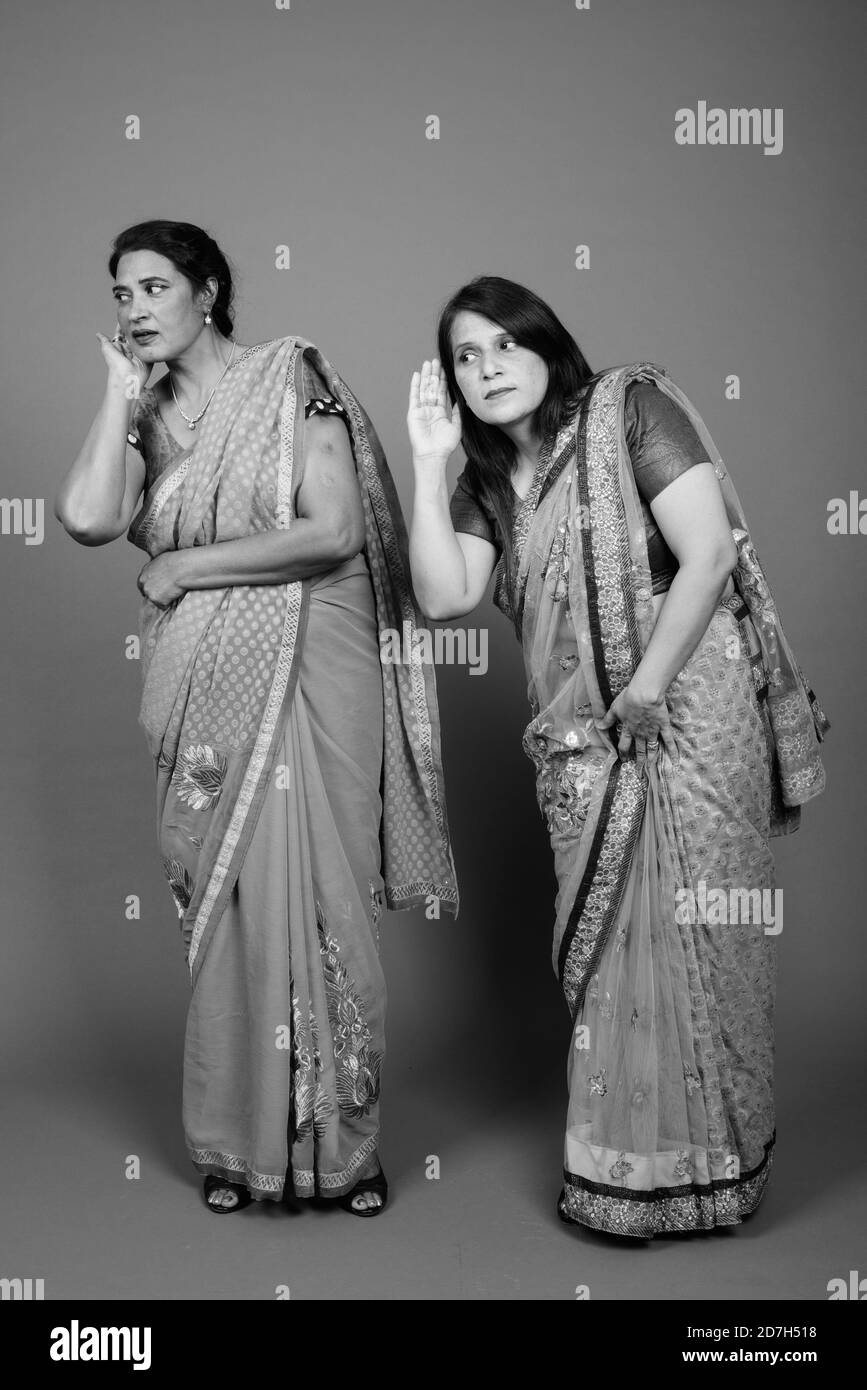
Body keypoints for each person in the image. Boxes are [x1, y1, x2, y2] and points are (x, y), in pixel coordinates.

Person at [407, 275, 829, 1239]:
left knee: (699, 935)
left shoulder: (627, 409)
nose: (486, 369)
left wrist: (642, 691)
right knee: (615, 957)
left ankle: (711, 1170)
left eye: (502, 345)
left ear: (545, 345)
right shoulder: (482, 482)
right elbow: (440, 597)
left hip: (685, 711)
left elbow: (709, 555)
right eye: (464, 358)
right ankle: (625, 1172)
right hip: (582, 742)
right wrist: (429, 466)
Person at [55, 220, 457, 1217]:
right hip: (205, 690)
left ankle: (343, 1153)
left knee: (322, 897)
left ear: (209, 289)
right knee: (231, 908)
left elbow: (332, 530)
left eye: (153, 287)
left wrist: (187, 564)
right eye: (121, 293)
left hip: (316, 661)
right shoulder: (144, 415)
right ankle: (235, 1147)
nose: (134, 308)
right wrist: (115, 393)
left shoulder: (292, 379)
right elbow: (88, 517)